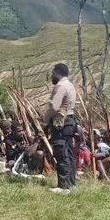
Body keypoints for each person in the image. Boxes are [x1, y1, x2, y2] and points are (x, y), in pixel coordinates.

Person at [43, 63, 78, 194]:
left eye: (53, 72)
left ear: (57, 72)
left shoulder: (61, 86)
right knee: (68, 153)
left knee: (61, 152)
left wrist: (45, 122)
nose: (52, 75)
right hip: (69, 121)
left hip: (61, 122)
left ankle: (63, 186)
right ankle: (71, 183)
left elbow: (54, 107)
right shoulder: (70, 85)